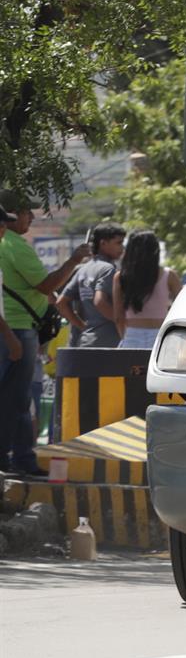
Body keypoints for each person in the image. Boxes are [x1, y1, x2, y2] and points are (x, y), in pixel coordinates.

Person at [0, 199, 90, 476]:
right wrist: (74, 260)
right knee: (17, 400)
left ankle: (16, 460)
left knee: (16, 400)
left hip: (17, 329)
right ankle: (14, 461)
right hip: (17, 330)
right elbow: (46, 285)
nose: (30, 218)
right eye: (26, 213)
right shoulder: (14, 245)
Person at [112, 230, 181, 352]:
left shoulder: (120, 277)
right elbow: (182, 308)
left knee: (132, 370)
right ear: (155, 250)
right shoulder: (169, 275)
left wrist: (124, 336)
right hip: (160, 335)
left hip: (132, 334)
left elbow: (118, 316)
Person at [61, 223, 125, 349]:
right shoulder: (108, 269)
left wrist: (82, 326)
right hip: (107, 343)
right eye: (118, 243)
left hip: (86, 341)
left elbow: (61, 302)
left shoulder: (84, 269)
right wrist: (121, 322)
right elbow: (100, 302)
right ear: (103, 243)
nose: (122, 248)